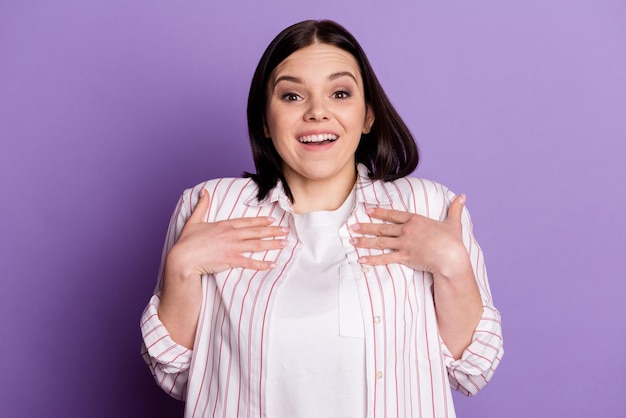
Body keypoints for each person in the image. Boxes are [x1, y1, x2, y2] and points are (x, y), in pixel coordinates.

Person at [141, 19, 503, 418]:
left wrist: (452, 265)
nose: (317, 112)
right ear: (265, 119)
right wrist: (181, 268)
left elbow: (473, 370)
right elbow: (173, 373)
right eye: (292, 96)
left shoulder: (430, 206)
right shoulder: (210, 205)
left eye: (340, 93)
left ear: (368, 116)